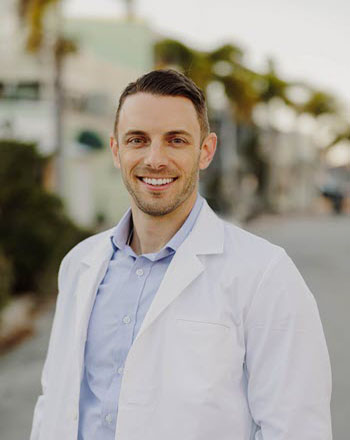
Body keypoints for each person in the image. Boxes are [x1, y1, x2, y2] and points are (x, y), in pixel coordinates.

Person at [30, 69, 332, 440]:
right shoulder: (79, 264)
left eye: (175, 140)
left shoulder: (264, 273)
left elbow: (297, 428)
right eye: (138, 140)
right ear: (116, 150)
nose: (155, 159)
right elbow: (54, 403)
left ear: (205, 151)